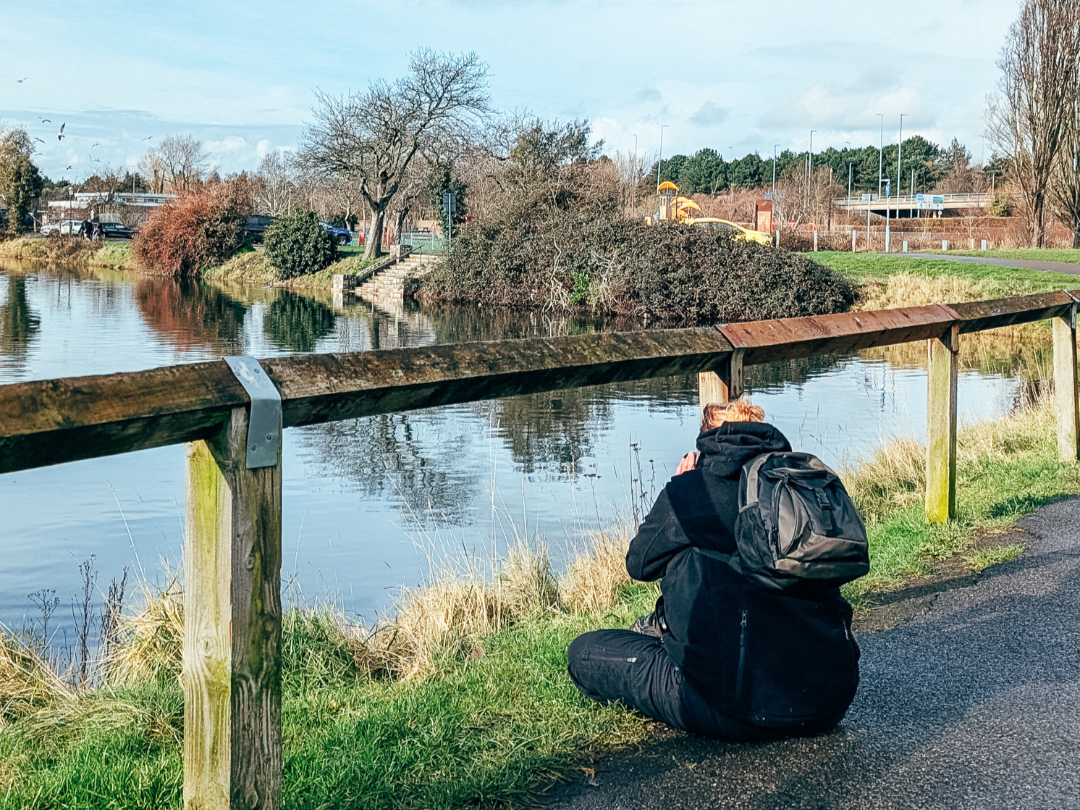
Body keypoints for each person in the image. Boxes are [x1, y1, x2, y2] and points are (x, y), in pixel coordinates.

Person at [567, 400, 861, 740]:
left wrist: (678, 490)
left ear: (707, 439)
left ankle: (668, 636)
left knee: (584, 652)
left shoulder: (695, 490)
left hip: (735, 708)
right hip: (831, 700)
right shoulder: (801, 487)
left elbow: (639, 563)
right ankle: (665, 629)